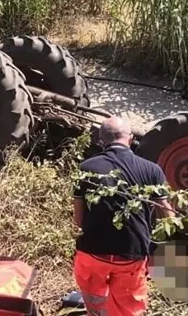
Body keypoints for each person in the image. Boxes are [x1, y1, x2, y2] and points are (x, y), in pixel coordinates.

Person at [72, 116, 173, 316]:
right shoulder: (152, 170)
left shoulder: (86, 169)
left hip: (92, 252)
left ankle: (97, 312)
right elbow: (168, 217)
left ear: (100, 141)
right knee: (127, 309)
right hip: (131, 253)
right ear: (131, 138)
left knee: (95, 303)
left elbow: (78, 221)